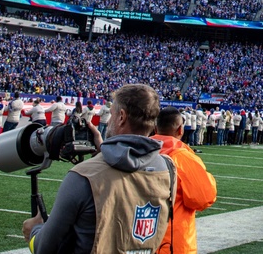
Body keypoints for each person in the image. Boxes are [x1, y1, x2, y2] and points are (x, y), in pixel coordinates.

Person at [22, 84, 176, 254]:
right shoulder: (168, 168)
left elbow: (45, 248)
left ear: (121, 117)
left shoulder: (83, 176)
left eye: (113, 114)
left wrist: (35, 231)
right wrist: (102, 152)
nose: (109, 120)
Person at [152, 106, 218, 254]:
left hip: (138, 237)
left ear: (155, 128)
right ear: (180, 130)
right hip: (172, 241)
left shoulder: (139, 152)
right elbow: (203, 197)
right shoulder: (182, 158)